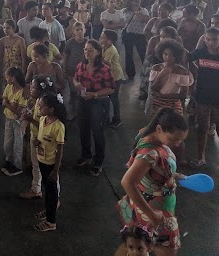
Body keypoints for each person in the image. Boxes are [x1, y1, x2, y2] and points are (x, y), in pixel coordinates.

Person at [118, 108, 188, 256]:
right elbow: (127, 182)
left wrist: (173, 175)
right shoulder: (150, 153)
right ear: (159, 129)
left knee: (137, 245)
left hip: (147, 205)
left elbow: (151, 172)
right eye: (174, 139)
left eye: (181, 140)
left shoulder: (147, 134)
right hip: (154, 210)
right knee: (168, 249)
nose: (177, 144)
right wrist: (152, 215)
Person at [73, 39, 116, 177]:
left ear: (98, 52)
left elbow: (111, 88)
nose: (87, 52)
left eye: (90, 50)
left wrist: (95, 94)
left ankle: (98, 161)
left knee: (97, 130)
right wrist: (76, 84)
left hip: (98, 102)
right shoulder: (81, 65)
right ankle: (86, 155)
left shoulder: (104, 69)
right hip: (83, 100)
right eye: (85, 49)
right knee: (83, 128)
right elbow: (75, 79)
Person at [32, 92, 66, 232]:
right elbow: (42, 136)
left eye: (42, 107)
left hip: (51, 163)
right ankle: (48, 210)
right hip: (42, 160)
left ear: (51, 108)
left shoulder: (58, 126)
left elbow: (60, 150)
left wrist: (56, 170)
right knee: (47, 190)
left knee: (52, 193)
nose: (39, 109)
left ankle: (51, 222)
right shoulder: (43, 119)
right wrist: (37, 142)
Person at [188, 26, 219, 167]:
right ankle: (201, 157)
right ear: (204, 39)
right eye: (208, 39)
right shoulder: (200, 52)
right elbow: (186, 58)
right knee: (202, 127)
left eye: (215, 39)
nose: (212, 42)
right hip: (202, 95)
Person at [0, 67, 26, 177]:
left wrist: (7, 105)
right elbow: (4, 101)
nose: (6, 78)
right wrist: (10, 106)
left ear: (13, 78)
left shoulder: (23, 93)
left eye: (7, 76)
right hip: (9, 119)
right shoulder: (9, 87)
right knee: (7, 143)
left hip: (18, 122)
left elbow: (19, 113)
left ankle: (17, 165)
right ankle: (9, 159)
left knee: (18, 143)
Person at [99, 30, 125, 128]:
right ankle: (107, 118)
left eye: (102, 37)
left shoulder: (111, 49)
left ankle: (117, 119)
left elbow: (107, 63)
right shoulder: (104, 47)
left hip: (115, 76)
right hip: (109, 76)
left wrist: (96, 57)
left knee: (114, 98)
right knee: (107, 97)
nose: (100, 38)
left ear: (109, 41)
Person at [121, 0, 150, 80]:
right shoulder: (124, 11)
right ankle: (130, 74)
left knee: (143, 53)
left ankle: (146, 72)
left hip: (140, 35)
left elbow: (145, 20)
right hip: (128, 34)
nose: (137, 2)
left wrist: (137, 12)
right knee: (128, 54)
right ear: (130, 1)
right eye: (135, 0)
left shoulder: (144, 10)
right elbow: (122, 22)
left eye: (138, 1)